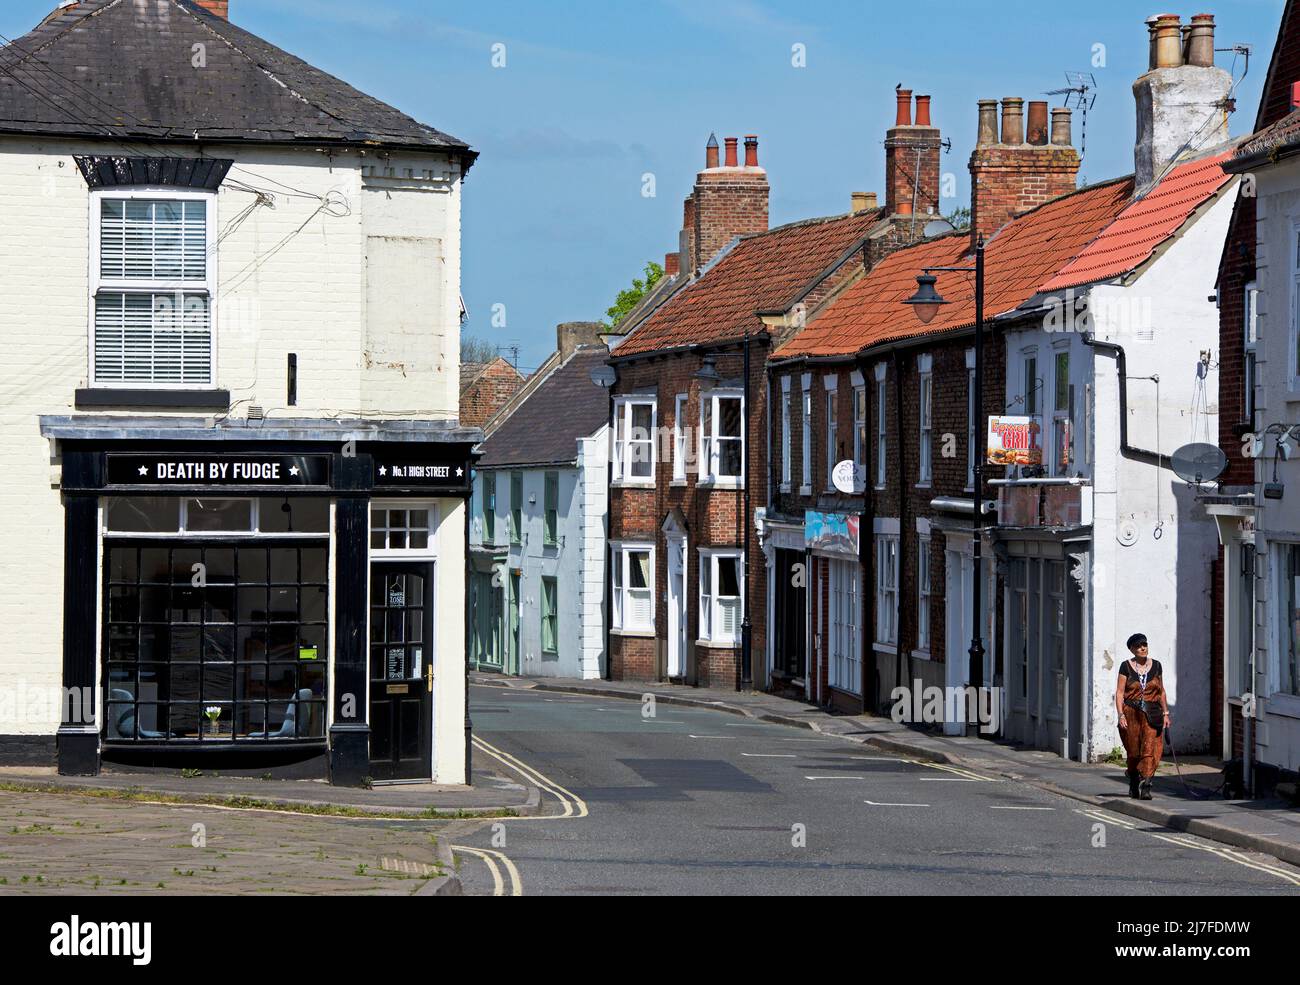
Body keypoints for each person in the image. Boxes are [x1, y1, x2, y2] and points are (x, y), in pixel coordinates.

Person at [1114, 633, 1170, 799]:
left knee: (1150, 749)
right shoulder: (1126, 666)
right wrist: (1121, 715)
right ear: (1132, 649)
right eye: (1138, 646)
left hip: (1152, 714)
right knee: (1133, 752)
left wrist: (1166, 713)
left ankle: (1147, 784)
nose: (1143, 648)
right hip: (1132, 713)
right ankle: (1133, 779)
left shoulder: (1157, 666)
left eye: (1144, 645)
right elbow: (1119, 693)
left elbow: (1161, 692)